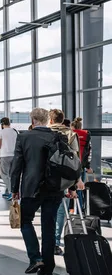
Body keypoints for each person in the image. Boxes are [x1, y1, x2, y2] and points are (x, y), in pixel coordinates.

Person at [10, 108, 78, 275]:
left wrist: (14, 189)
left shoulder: (24, 137)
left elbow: (17, 166)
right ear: (48, 120)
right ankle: (48, 270)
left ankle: (36, 258)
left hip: (31, 188)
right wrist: (71, 187)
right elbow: (68, 163)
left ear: (32, 119)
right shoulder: (58, 137)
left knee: (25, 220)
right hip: (54, 188)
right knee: (49, 226)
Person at [49, 109, 83, 256]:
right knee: (60, 211)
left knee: (46, 211)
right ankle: (55, 243)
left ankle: (46, 242)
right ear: (62, 121)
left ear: (50, 120)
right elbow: (75, 161)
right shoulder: (70, 134)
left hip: (44, 178)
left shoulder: (43, 133)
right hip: (62, 178)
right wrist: (74, 184)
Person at [71, 117, 92, 209]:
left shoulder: (70, 135)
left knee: (69, 190)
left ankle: (69, 209)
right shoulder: (86, 135)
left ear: (72, 126)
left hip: (70, 166)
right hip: (81, 166)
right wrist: (87, 166)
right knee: (79, 189)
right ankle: (80, 210)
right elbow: (88, 153)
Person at [0, 117, 18, 201]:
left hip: (5, 156)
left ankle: (13, 192)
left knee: (4, 175)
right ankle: (8, 191)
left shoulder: (1, 132)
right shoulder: (15, 131)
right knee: (12, 175)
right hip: (14, 156)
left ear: (2, 124)